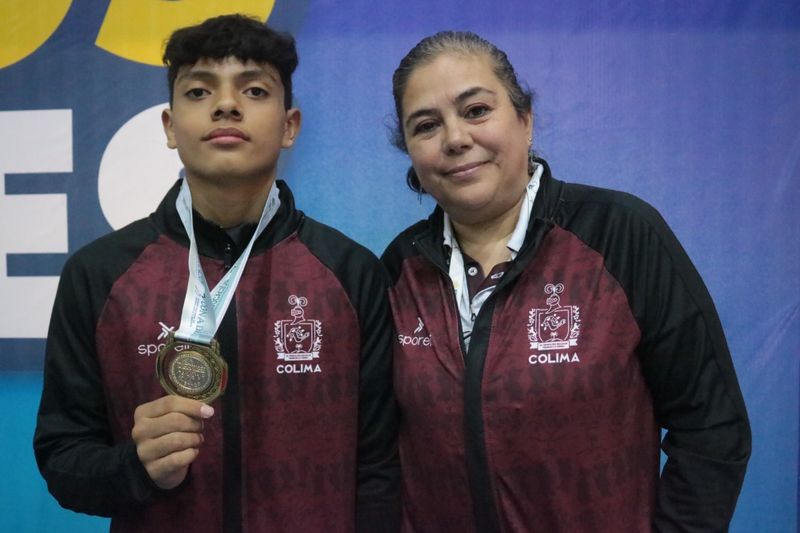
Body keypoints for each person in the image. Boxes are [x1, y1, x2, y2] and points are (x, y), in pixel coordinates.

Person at [34, 14, 398, 532]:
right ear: (169, 126)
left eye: (253, 89)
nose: (226, 105)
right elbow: (62, 458)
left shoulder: (351, 272)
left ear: (290, 125)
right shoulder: (98, 274)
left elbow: (380, 468)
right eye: (200, 91)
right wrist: (134, 469)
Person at [381, 31, 750, 532]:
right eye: (426, 125)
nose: (456, 138)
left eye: (476, 111)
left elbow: (712, 427)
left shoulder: (619, 235)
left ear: (525, 120)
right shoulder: (398, 268)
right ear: (411, 154)